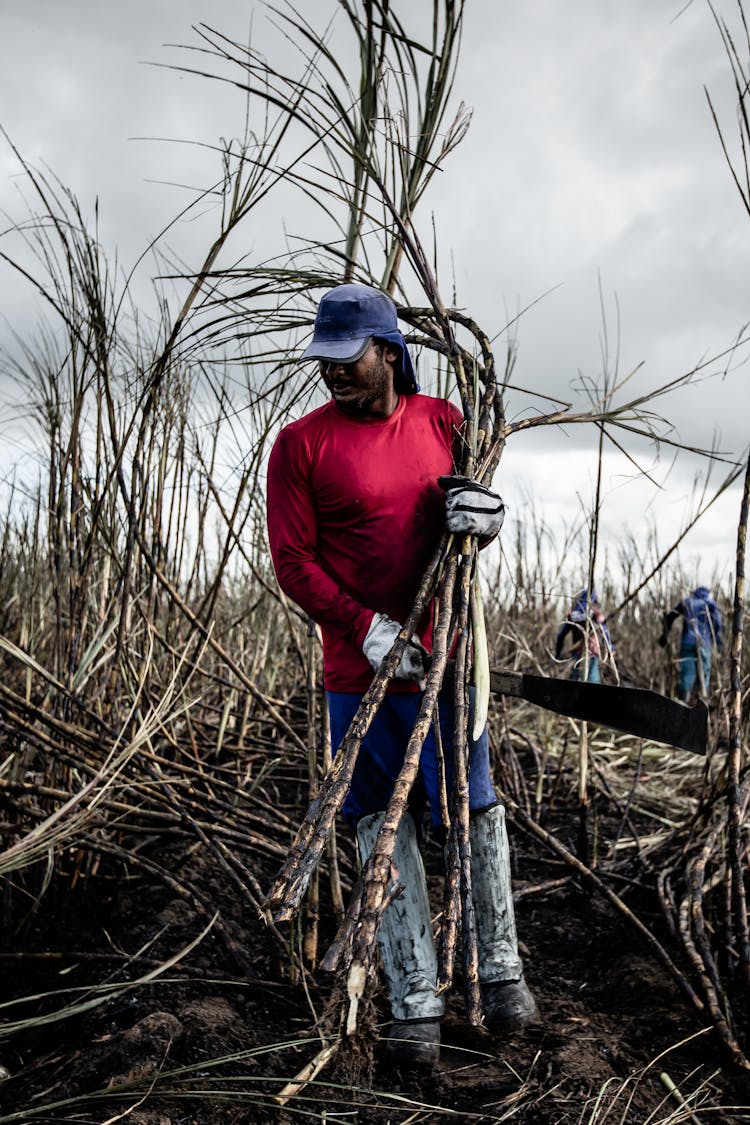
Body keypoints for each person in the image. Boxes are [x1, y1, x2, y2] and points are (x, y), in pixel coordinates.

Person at [266, 282, 537, 1067]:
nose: (334, 374)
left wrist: (486, 520)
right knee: (379, 822)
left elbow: (472, 524)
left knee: (476, 805)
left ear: (390, 351)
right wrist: (369, 629)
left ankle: (503, 975)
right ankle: (415, 998)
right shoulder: (299, 445)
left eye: (348, 359)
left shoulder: (446, 423)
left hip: (450, 659)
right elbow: (293, 561)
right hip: (359, 674)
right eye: (324, 360)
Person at [658, 585, 723, 701]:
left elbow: (670, 616)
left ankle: (684, 703)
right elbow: (718, 624)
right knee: (704, 674)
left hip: (687, 642)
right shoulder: (710, 604)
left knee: (687, 675)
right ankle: (701, 704)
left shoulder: (687, 602)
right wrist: (716, 641)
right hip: (704, 643)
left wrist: (664, 636)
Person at [554, 587, 613, 684]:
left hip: (577, 653)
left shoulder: (573, 615)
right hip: (591, 652)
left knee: (575, 680)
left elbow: (560, 636)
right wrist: (611, 649)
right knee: (593, 681)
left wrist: (557, 653)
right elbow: (605, 633)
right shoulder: (596, 615)